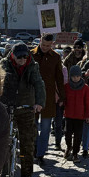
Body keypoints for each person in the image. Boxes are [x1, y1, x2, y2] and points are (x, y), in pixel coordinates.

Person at [0, 42, 45, 177]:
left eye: (25, 56)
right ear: (12, 55)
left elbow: (39, 83)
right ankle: (0, 171)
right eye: (19, 57)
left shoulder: (33, 65)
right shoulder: (4, 64)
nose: (22, 59)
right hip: (7, 105)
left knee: (27, 142)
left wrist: (39, 103)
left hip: (26, 106)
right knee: (0, 139)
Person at [33, 34, 64, 166]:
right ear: (40, 41)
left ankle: (40, 154)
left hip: (48, 97)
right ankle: (34, 150)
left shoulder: (56, 57)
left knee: (45, 128)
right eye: (43, 45)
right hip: (32, 97)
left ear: (52, 44)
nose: (45, 48)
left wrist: (62, 97)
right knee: (32, 126)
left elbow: (59, 78)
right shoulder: (30, 54)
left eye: (48, 45)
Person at [63, 65, 89, 162]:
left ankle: (75, 153)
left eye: (77, 76)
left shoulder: (86, 88)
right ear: (70, 76)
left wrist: (88, 115)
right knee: (67, 134)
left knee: (78, 136)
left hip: (80, 116)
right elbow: (64, 99)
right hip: (69, 114)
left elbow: (88, 103)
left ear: (80, 76)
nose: (75, 78)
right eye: (73, 76)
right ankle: (69, 147)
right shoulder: (67, 87)